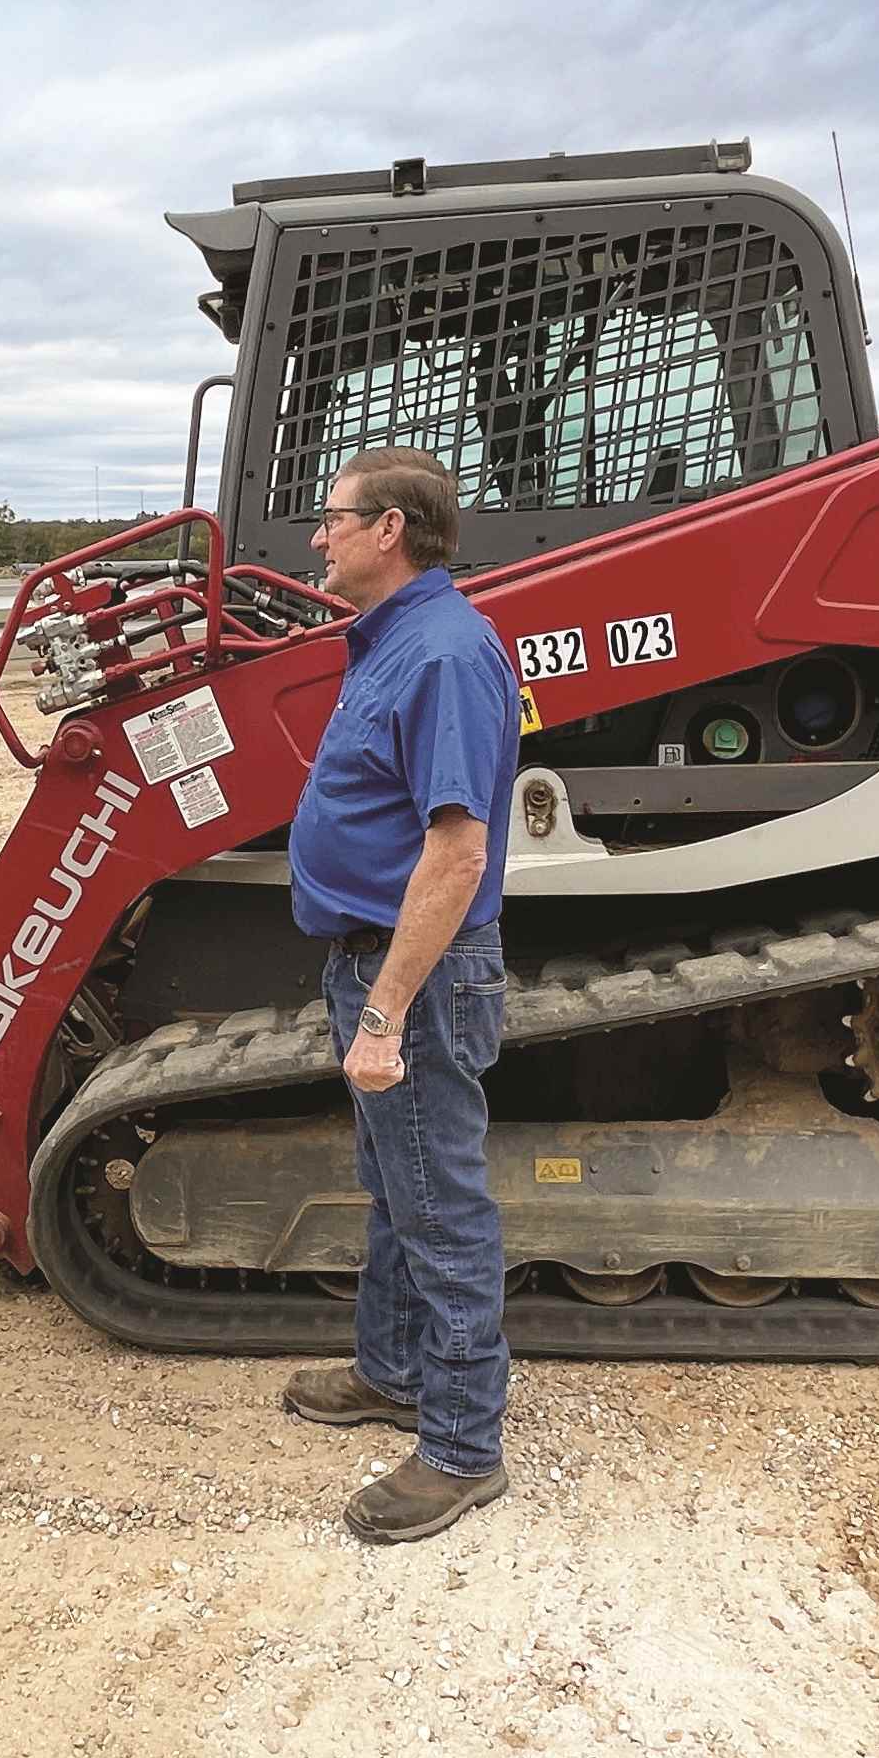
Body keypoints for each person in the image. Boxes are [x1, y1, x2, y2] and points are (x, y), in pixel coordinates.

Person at [275, 446, 524, 1543]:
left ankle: (464, 1446)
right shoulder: (391, 641)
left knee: (440, 1206)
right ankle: (393, 1372)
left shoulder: (444, 653)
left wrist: (384, 1009)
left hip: (409, 972)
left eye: (332, 520)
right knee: (395, 1184)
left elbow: (457, 854)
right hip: (369, 957)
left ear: (390, 530)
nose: (316, 538)